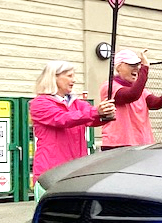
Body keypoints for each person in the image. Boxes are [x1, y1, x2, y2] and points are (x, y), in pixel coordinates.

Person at [30, 61, 115, 193]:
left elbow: (92, 120)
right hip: (50, 171)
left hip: (75, 169)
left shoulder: (77, 103)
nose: (73, 80)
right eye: (69, 76)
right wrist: (95, 112)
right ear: (54, 77)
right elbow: (61, 119)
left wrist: (105, 114)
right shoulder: (39, 103)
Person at [99, 49, 162, 150]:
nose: (136, 68)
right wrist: (144, 69)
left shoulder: (140, 90)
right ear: (119, 67)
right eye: (132, 65)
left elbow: (155, 103)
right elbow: (131, 95)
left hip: (142, 143)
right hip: (117, 144)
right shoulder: (109, 87)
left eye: (138, 65)